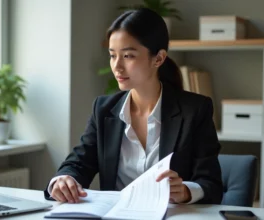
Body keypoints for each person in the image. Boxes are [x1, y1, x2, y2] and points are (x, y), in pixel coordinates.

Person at [44, 8, 223, 204]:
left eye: (128, 56)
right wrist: (63, 180)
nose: (117, 66)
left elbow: (211, 184)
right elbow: (78, 163)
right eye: (113, 55)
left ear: (158, 58)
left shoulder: (195, 110)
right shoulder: (103, 109)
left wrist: (186, 191)